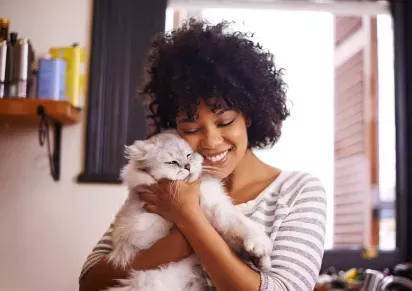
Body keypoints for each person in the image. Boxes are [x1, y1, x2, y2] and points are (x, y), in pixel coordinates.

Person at [79, 19, 327, 291]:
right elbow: (90, 280)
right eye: (192, 128)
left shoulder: (299, 192)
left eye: (225, 122)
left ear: (250, 115)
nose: (210, 141)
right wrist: (177, 240)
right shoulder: (163, 186)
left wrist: (189, 217)